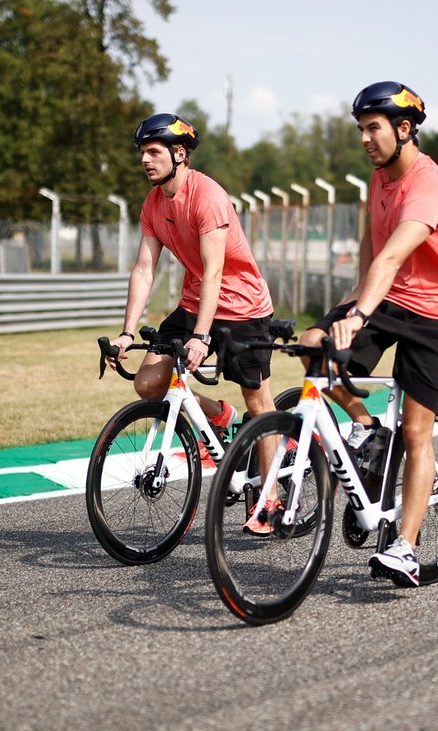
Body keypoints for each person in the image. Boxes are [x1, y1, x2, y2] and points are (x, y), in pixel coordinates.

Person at [300, 81, 438, 586]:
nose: (364, 138)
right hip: (392, 300)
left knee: (418, 431)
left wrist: (360, 313)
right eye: (360, 129)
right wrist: (349, 306)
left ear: (404, 129)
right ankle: (368, 428)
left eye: (373, 128)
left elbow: (396, 253)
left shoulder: (427, 184)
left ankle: (405, 547)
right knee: (315, 348)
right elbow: (371, 248)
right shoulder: (379, 178)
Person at [110, 112, 281, 534]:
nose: (145, 160)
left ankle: (272, 498)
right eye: (142, 153)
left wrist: (202, 336)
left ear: (179, 153)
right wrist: (127, 332)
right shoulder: (153, 203)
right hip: (194, 302)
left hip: (242, 306)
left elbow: (214, 271)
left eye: (154, 152)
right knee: (149, 383)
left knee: (258, 401)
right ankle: (219, 417)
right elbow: (144, 270)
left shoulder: (208, 196)